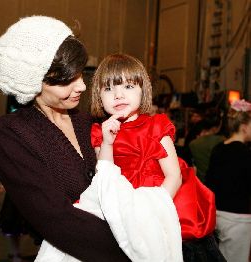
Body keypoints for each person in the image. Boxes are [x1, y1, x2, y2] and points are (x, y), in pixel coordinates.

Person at [36, 54, 226, 262]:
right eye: (108, 89)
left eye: (127, 87)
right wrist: (108, 142)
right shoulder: (100, 131)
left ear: (142, 90)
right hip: (120, 206)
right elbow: (104, 177)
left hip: (160, 203)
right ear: (99, 97)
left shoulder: (156, 126)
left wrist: (150, 212)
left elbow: (174, 176)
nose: (118, 95)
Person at [0, 16, 130, 261]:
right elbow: (55, 218)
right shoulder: (10, 134)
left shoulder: (88, 123)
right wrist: (132, 250)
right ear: (32, 81)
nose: (82, 87)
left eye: (80, 75)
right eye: (68, 80)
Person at [205, 99, 251, 262]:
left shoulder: (218, 148)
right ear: (244, 127)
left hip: (217, 216)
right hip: (238, 218)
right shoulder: (246, 154)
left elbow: (209, 181)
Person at [189, 108, 225, 182]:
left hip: (201, 183)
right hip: (218, 181)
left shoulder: (193, 144)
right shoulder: (223, 141)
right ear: (216, 128)